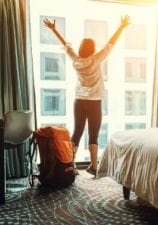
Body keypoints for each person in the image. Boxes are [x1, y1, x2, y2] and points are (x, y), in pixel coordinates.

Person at [43, 15, 130, 177]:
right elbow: (111, 44)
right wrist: (122, 27)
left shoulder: (76, 60)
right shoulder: (96, 59)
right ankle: (94, 166)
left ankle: (70, 165)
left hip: (79, 100)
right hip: (94, 102)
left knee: (77, 132)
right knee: (94, 134)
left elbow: (65, 45)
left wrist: (54, 30)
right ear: (93, 49)